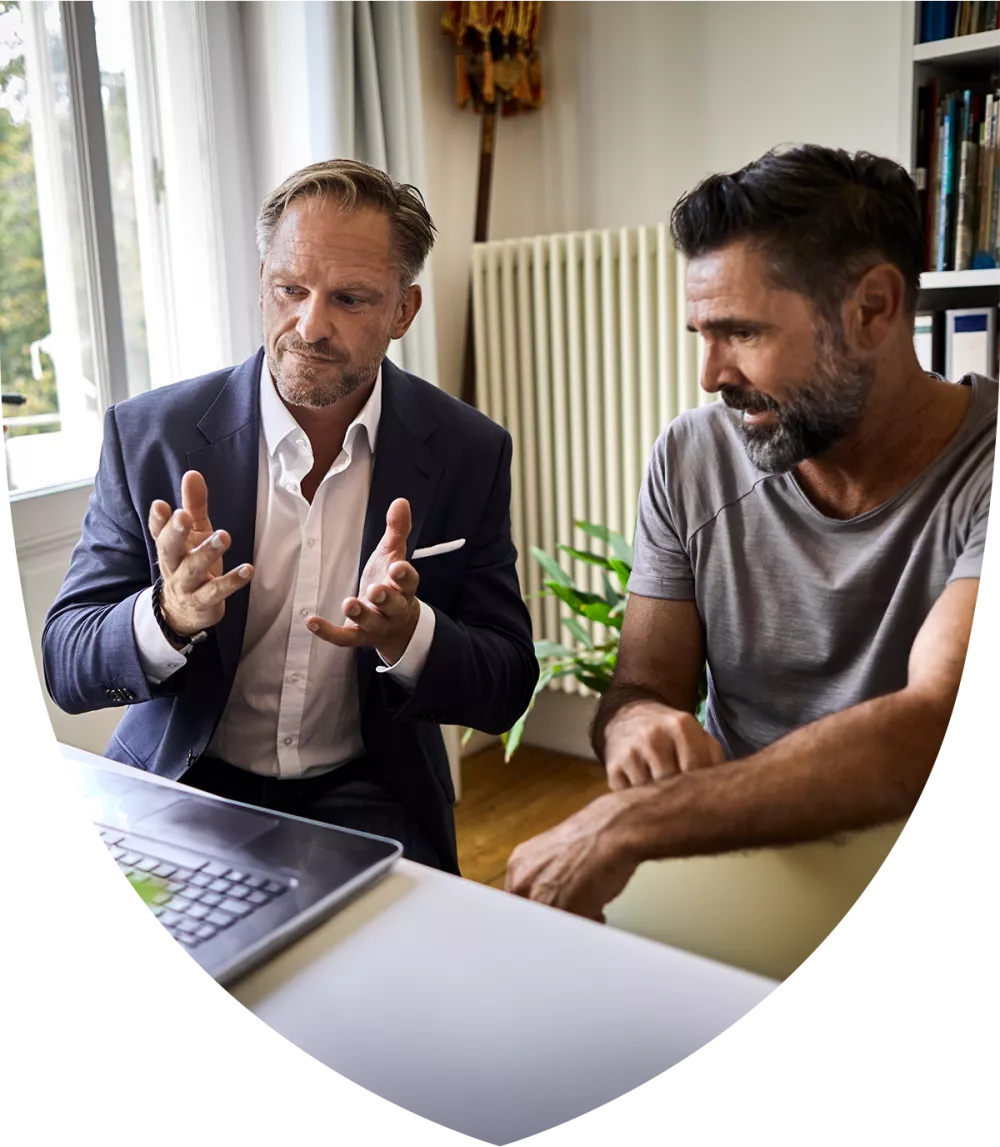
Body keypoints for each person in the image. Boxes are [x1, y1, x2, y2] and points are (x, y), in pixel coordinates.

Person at [505, 144, 994, 920]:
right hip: (732, 851)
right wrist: (636, 725)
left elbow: (933, 723)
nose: (711, 373)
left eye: (741, 332)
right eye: (701, 332)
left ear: (872, 309)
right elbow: (642, 686)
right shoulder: (691, 455)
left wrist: (630, 821)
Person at [42, 158, 538, 875]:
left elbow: (507, 681)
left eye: (350, 299)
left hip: (373, 792)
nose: (311, 325)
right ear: (263, 282)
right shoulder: (150, 435)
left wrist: (411, 634)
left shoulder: (468, 451)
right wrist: (169, 615)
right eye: (290, 289)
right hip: (186, 781)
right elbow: (66, 660)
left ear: (404, 310)